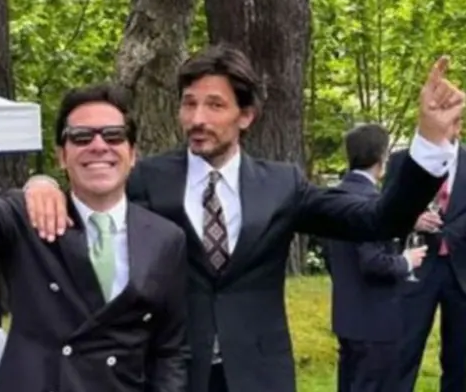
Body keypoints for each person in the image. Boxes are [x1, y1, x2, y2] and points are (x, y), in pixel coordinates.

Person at [23, 46, 458, 392]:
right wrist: (39, 182)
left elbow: (378, 220)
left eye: (214, 105)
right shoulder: (147, 179)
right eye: (189, 104)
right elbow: (85, 200)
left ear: (245, 115)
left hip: (259, 374)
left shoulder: (282, 185)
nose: (197, 119)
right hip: (170, 373)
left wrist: (429, 145)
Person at [0, 25, 187, 392]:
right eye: (81, 137)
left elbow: (171, 349)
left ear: (133, 154)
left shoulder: (167, 239)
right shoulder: (26, 219)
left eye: (114, 136)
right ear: (62, 156)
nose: (99, 146)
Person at [325, 124, 421, 392]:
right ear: (382, 158)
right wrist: (406, 261)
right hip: (375, 321)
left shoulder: (333, 197)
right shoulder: (369, 203)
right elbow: (373, 262)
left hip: (347, 316)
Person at [387, 111, 466, 392]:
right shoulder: (402, 161)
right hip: (416, 268)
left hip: (461, 272)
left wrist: (449, 233)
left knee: (461, 358)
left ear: (458, 124)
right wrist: (412, 218)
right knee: (403, 350)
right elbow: (385, 211)